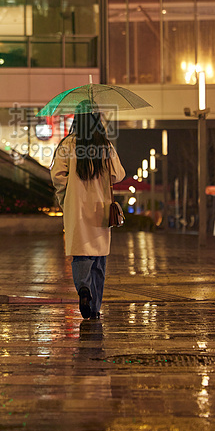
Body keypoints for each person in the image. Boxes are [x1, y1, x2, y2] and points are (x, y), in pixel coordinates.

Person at [51, 102, 125, 320]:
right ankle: (94, 308)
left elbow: (57, 176)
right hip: (100, 208)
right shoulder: (105, 145)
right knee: (99, 259)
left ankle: (83, 289)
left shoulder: (68, 144)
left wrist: (66, 198)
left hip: (77, 209)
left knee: (81, 253)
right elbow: (118, 174)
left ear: (77, 119)